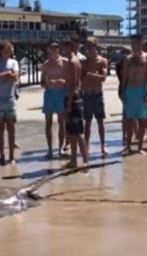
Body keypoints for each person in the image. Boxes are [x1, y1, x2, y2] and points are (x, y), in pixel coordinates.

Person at [121, 35, 147, 155]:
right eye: (131, 43)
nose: (132, 45)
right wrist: (122, 92)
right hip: (130, 90)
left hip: (142, 90)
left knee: (142, 121)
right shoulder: (128, 59)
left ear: (140, 42)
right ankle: (128, 146)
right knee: (129, 120)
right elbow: (124, 77)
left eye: (135, 42)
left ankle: (140, 147)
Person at [61, 39, 88, 168]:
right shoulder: (76, 60)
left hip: (73, 98)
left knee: (77, 133)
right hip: (75, 96)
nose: (62, 51)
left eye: (64, 48)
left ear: (70, 48)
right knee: (72, 133)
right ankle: (74, 160)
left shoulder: (72, 62)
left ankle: (85, 160)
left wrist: (69, 103)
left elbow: (72, 85)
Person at [0, 41, 19, 165]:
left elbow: (15, 77)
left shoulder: (14, 62)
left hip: (10, 98)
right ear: (1, 50)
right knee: (0, 128)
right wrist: (8, 74)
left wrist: (5, 75)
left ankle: (12, 156)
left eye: (11, 50)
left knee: (11, 128)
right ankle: (2, 155)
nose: (10, 52)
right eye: (7, 50)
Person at [41, 41, 70, 159]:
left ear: (59, 49)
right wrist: (48, 82)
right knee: (48, 122)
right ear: (48, 49)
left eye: (56, 47)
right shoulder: (46, 64)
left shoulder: (65, 62)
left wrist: (63, 81)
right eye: (52, 48)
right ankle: (49, 149)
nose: (54, 50)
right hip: (49, 93)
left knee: (61, 122)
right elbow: (42, 82)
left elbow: (70, 79)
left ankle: (60, 149)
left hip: (61, 93)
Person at [81, 37, 109, 157]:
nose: (89, 49)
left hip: (97, 94)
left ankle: (103, 145)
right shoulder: (84, 61)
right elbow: (80, 77)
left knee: (100, 121)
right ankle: (87, 145)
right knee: (87, 122)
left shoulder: (102, 61)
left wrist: (91, 75)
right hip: (86, 94)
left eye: (91, 46)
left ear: (96, 47)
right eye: (87, 47)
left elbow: (103, 77)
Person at [116, 46, 132, 145]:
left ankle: (127, 135)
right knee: (127, 114)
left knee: (127, 114)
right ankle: (125, 136)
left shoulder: (120, 64)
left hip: (123, 89)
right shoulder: (123, 64)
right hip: (125, 89)